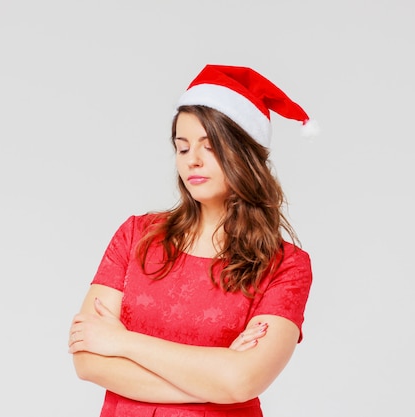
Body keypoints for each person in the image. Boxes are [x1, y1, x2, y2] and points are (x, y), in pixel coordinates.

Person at [68, 64, 314, 417]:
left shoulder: (285, 266)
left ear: (245, 154)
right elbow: (88, 358)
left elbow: (242, 381)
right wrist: (215, 379)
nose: (192, 161)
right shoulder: (138, 235)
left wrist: (121, 342)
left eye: (209, 147)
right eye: (182, 149)